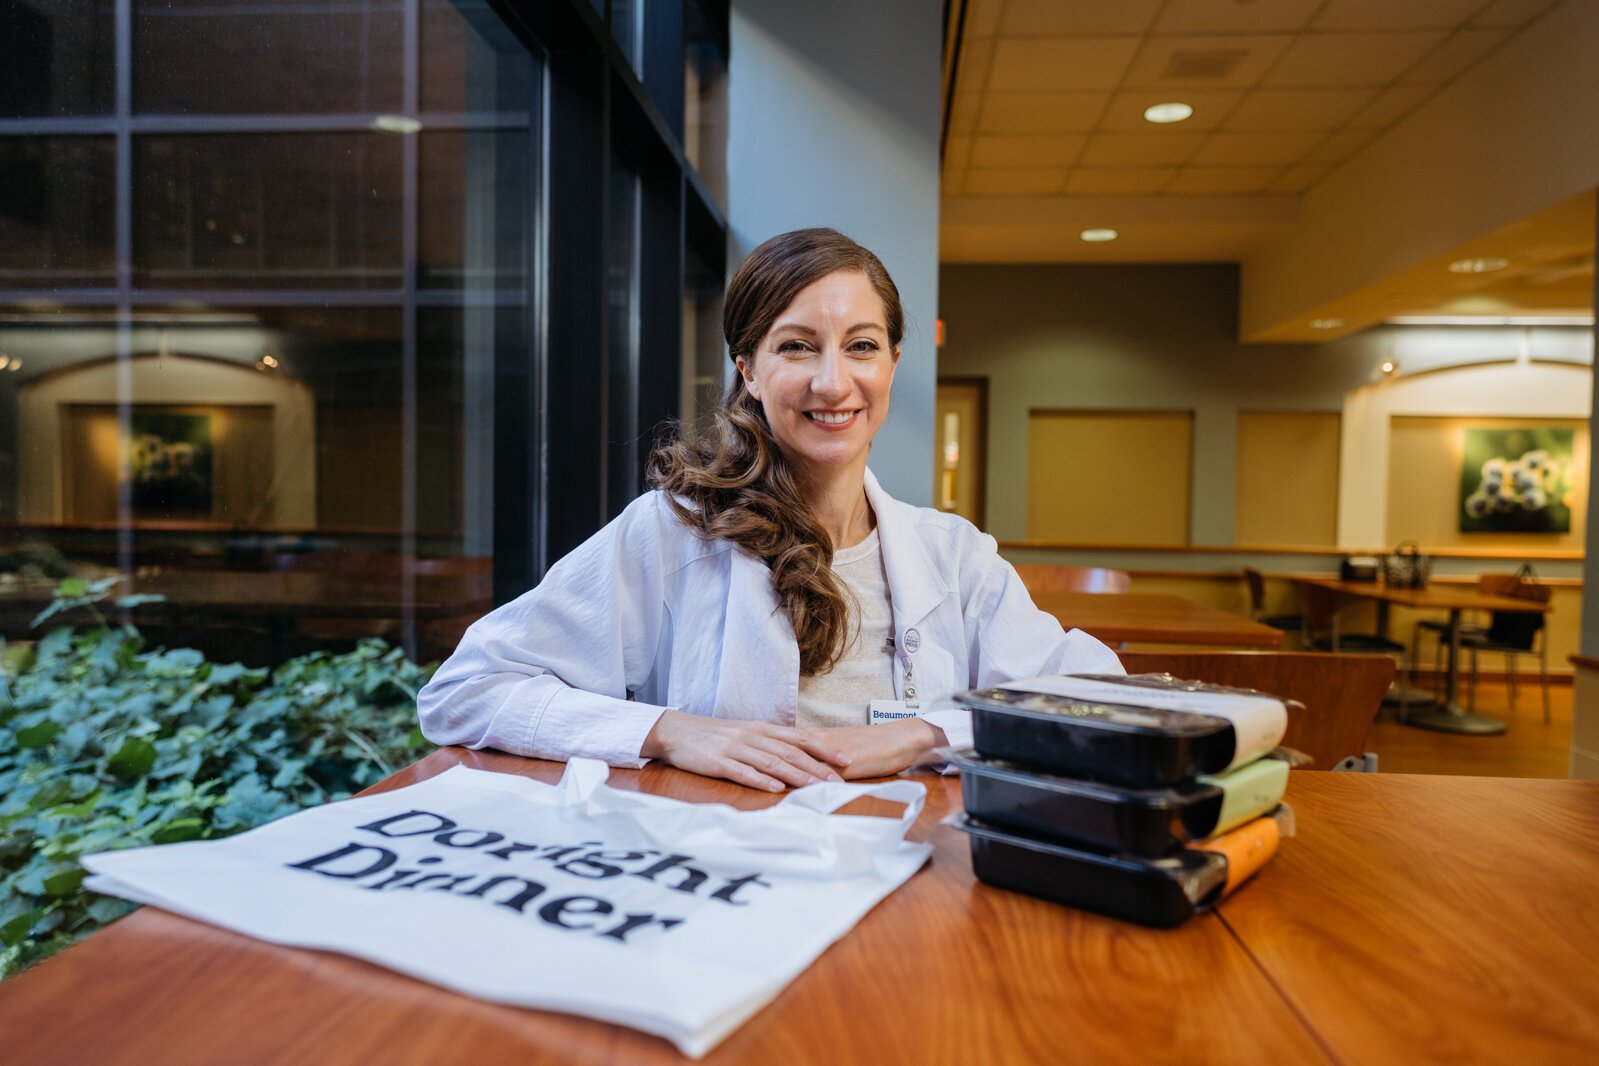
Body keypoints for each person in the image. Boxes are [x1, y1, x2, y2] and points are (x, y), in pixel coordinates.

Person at [417, 228, 1122, 790]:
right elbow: (465, 691)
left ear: (893, 364)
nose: (831, 381)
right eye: (796, 347)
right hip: (720, 878)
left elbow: (1098, 696)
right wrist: (668, 730)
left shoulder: (955, 556)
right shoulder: (671, 530)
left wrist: (929, 734)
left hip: (909, 878)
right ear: (748, 370)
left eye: (861, 347)